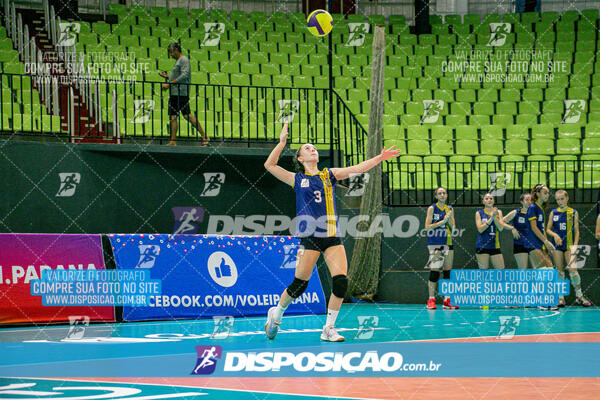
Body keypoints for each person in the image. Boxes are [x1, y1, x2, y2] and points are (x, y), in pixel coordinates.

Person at [263, 122, 400, 341]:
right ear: (300, 159)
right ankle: (277, 312)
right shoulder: (297, 179)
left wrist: (379, 158)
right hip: (310, 237)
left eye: (314, 147)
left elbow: (358, 169)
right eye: (307, 148)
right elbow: (269, 165)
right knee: (300, 285)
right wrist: (281, 144)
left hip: (331, 237)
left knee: (340, 281)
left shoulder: (329, 175)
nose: (312, 149)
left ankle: (328, 328)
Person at [546, 190, 591, 307]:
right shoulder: (553, 212)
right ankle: (561, 298)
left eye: (562, 198)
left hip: (569, 245)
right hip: (557, 246)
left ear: (567, 198)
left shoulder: (573, 212)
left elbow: (577, 230)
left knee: (573, 272)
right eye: (557, 199)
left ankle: (579, 295)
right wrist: (555, 235)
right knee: (559, 271)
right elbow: (548, 229)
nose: (559, 201)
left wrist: (575, 246)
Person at [160, 43, 209, 147]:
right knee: (173, 116)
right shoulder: (179, 61)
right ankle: (173, 141)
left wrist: (169, 84)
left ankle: (205, 137)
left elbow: (185, 75)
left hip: (181, 93)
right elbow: (178, 77)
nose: (170, 54)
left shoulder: (184, 60)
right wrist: (168, 77)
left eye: (171, 52)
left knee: (187, 115)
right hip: (175, 93)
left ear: (177, 49)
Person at [424, 187, 458, 310]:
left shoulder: (450, 209)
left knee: (447, 271)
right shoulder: (432, 208)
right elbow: (427, 227)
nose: (442, 195)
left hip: (448, 241)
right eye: (440, 193)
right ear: (436, 196)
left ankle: (446, 300)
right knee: (434, 270)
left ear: (447, 195)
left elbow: (453, 228)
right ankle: (431, 300)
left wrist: (448, 221)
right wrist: (442, 222)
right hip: (436, 242)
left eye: (444, 193)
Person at [526, 184, 558, 311]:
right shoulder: (532, 208)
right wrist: (545, 241)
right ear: (537, 193)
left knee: (550, 269)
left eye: (548, 193)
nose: (547, 195)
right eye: (545, 192)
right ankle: (543, 301)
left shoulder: (540, 209)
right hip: (532, 243)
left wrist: (546, 244)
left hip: (540, 244)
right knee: (543, 271)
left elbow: (542, 229)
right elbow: (534, 228)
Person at [475, 193, 508, 269]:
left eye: (491, 198)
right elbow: (480, 229)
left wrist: (495, 217)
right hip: (482, 245)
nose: (489, 200)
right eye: (486, 199)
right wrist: (491, 218)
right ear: (483, 201)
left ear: (493, 201)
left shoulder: (498, 212)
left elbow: (500, 228)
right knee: (484, 273)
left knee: (501, 271)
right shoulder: (479, 213)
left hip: (494, 245)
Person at [503, 193, 533, 269]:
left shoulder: (536, 213)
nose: (529, 201)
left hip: (534, 244)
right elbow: (501, 222)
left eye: (531, 200)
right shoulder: (516, 213)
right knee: (523, 270)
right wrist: (512, 228)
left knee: (539, 269)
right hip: (520, 244)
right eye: (527, 200)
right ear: (522, 202)